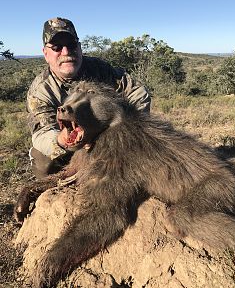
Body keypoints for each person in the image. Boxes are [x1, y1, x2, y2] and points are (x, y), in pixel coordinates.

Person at [26, 17, 151, 179]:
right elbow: (42, 133)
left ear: (79, 47)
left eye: (71, 45)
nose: (65, 52)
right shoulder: (41, 90)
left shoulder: (100, 69)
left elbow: (137, 92)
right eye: (56, 47)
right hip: (71, 144)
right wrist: (63, 140)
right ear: (46, 54)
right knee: (44, 160)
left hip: (111, 137)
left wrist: (127, 128)